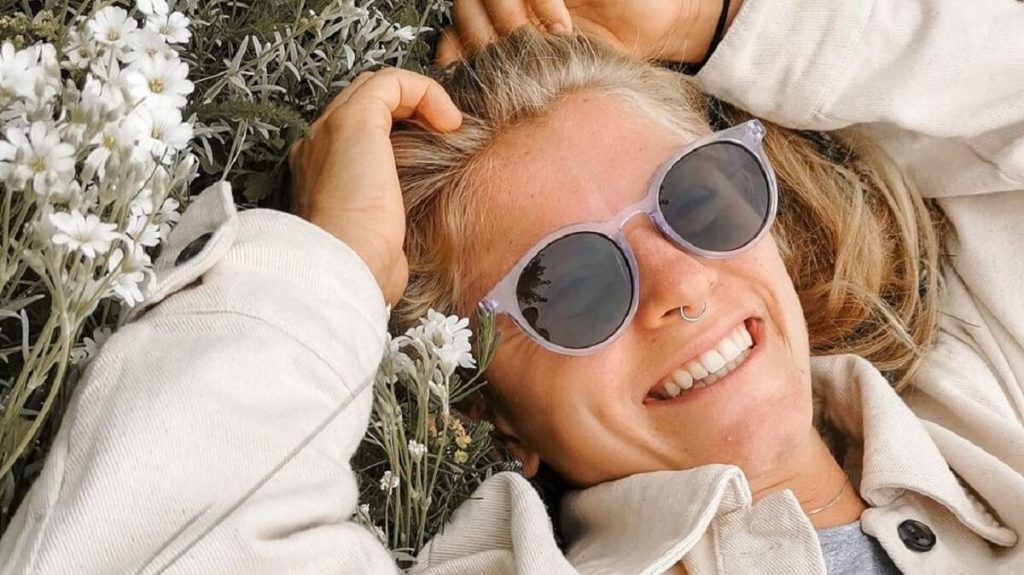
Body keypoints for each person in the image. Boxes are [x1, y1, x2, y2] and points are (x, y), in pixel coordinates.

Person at [2, 1, 1022, 574]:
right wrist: (331, 264)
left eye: (700, 201)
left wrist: (721, 22)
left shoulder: (991, 408)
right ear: (494, 410)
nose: (679, 286)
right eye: (569, 284)